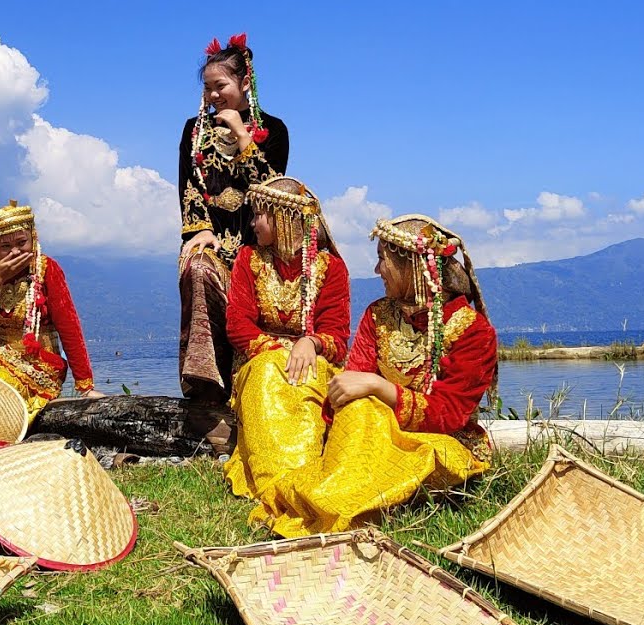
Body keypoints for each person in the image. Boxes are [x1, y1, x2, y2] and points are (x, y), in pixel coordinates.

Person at [257, 215, 498, 538]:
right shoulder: (378, 314)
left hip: (442, 441)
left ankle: (333, 506)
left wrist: (378, 386)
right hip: (375, 434)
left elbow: (449, 415)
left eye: (382, 260)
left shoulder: (473, 330)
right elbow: (348, 387)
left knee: (405, 445)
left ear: (411, 266)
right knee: (356, 409)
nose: (377, 271)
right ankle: (334, 503)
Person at [222, 177, 350, 520]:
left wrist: (311, 342)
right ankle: (272, 487)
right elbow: (237, 324)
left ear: (282, 217)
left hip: (313, 362)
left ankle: (304, 480)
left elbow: (338, 337)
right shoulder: (248, 260)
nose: (252, 223)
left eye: (258, 215)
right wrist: (280, 350)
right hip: (260, 360)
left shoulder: (331, 268)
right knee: (268, 373)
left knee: (310, 375)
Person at [178, 33, 289, 403]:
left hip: (258, 243)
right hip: (209, 238)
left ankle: (257, 392)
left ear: (244, 82)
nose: (212, 96)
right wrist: (201, 228)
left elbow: (270, 192)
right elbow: (189, 185)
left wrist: (242, 134)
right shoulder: (195, 132)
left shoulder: (274, 131)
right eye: (207, 88)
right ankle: (205, 391)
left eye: (220, 86)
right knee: (197, 270)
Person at [0, 200, 102, 421]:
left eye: (22, 243)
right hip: (0, 356)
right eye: (5, 247)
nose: (15, 252)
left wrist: (85, 386)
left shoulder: (47, 269)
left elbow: (69, 327)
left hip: (39, 367)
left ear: (33, 238)